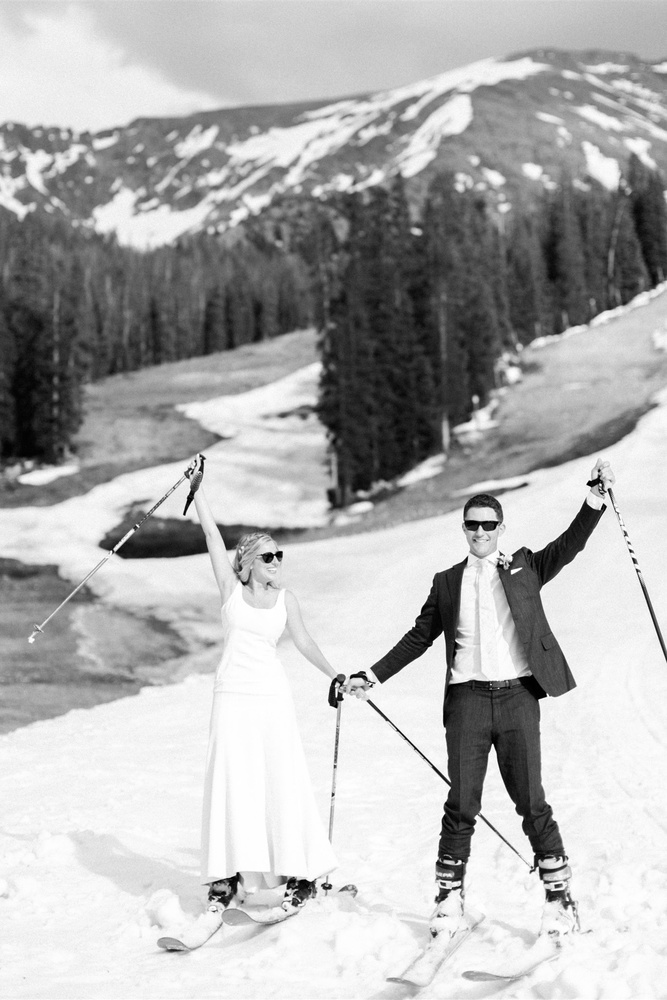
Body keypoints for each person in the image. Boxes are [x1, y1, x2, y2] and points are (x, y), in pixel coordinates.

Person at [347, 457, 615, 941]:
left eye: (489, 525)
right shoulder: (447, 581)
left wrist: (594, 498)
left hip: (517, 698)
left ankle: (560, 901)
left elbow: (569, 546)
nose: (480, 532)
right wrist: (373, 674)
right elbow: (418, 636)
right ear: (464, 529)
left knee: (531, 801)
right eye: (472, 525)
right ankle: (449, 900)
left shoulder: (525, 567)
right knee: (462, 802)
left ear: (501, 528)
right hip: (468, 702)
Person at [185, 454, 338, 917]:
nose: (276, 562)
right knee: (231, 780)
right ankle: (227, 876)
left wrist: (335, 675)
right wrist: (199, 490)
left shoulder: (285, 600)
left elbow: (305, 641)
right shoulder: (232, 593)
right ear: (248, 564)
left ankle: (299, 872)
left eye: (279, 555)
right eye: (268, 556)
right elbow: (212, 536)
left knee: (280, 778)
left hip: (271, 697)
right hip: (231, 695)